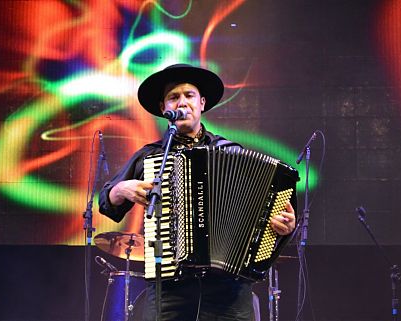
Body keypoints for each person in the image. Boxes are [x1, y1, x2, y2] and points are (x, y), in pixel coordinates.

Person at [99, 64, 296, 321]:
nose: (182, 103)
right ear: (164, 108)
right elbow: (106, 202)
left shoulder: (229, 152)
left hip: (229, 287)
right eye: (174, 97)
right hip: (170, 287)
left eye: (189, 96)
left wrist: (283, 226)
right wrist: (121, 188)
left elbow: (265, 217)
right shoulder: (151, 156)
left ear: (201, 103)